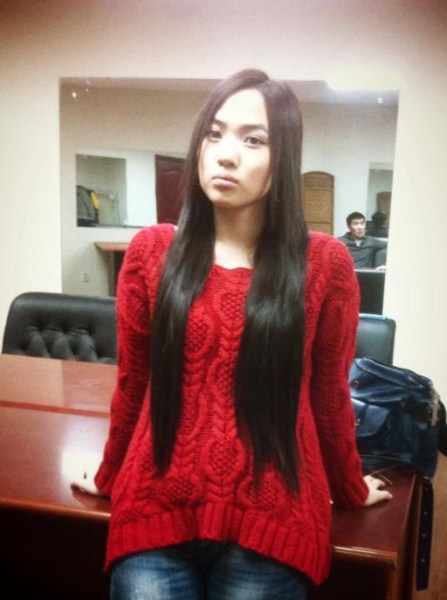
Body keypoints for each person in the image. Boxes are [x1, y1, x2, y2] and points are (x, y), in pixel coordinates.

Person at [72, 69, 392, 599]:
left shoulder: (324, 263)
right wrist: (109, 475)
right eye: (214, 134)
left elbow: (328, 395)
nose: (225, 154)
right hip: (155, 504)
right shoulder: (152, 254)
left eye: (253, 140)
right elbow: (134, 384)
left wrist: (350, 487)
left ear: (283, 159)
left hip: (274, 511)